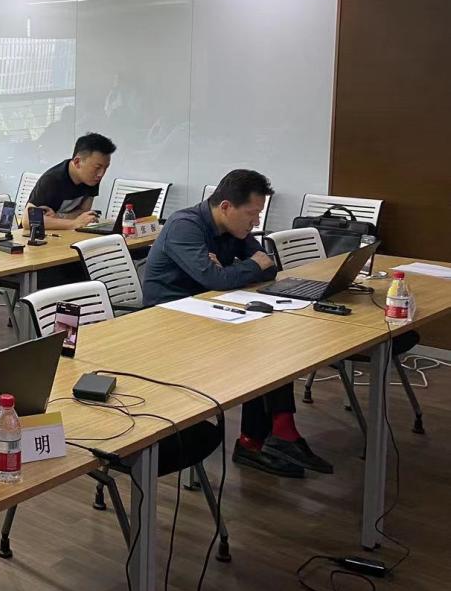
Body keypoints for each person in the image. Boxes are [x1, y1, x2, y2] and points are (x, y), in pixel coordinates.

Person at [142, 169, 332, 478]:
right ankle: (264, 439)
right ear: (226, 206)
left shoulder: (235, 229)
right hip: (167, 322)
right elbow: (216, 279)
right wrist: (236, 271)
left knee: (270, 341)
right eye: (251, 214)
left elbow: (268, 266)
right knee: (257, 350)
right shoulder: (184, 226)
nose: (256, 222)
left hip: (209, 311)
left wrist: (234, 271)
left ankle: (268, 437)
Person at [28, 132, 116, 230]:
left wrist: (59, 217)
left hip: (65, 233)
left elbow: (84, 212)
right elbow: (28, 220)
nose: (101, 174)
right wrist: (73, 223)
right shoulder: (52, 179)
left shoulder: (92, 179)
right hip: (37, 235)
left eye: (106, 167)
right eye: (97, 167)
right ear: (77, 162)